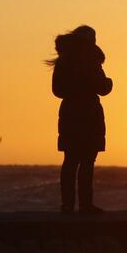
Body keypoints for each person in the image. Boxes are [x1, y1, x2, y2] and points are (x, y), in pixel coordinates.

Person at [49, 25, 112, 214]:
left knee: (70, 161)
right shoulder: (91, 61)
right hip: (89, 113)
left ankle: (68, 205)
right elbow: (103, 88)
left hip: (69, 113)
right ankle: (86, 205)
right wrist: (108, 82)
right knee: (86, 161)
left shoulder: (64, 61)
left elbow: (57, 90)